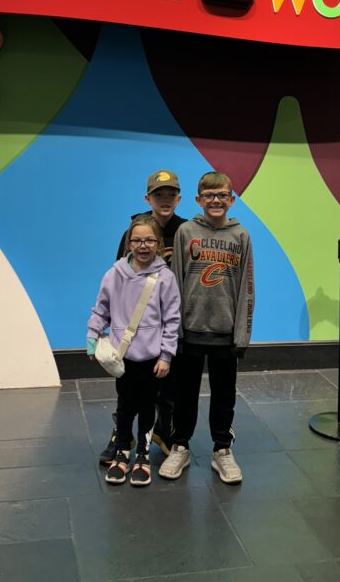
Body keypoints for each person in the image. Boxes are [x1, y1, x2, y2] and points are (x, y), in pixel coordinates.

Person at [159, 171, 254, 485]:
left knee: (224, 395)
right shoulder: (186, 231)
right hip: (191, 331)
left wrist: (241, 335)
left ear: (231, 199)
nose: (215, 200)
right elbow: (174, 285)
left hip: (225, 333)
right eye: (209, 195)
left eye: (222, 195)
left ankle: (222, 450)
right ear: (199, 200)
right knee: (184, 394)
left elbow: (246, 289)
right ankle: (180, 445)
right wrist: (174, 332)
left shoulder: (241, 236)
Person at [98, 170, 186, 465]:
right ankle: (123, 435)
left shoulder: (186, 231)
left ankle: (162, 430)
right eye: (158, 195)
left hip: (171, 322)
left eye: (170, 194)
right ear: (148, 198)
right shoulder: (132, 231)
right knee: (129, 389)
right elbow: (120, 275)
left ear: (179, 198)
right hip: (136, 329)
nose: (165, 200)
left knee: (168, 384)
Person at [87, 214, 181, 486]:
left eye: (149, 240)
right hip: (122, 357)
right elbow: (101, 308)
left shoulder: (165, 278)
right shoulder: (114, 274)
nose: (143, 246)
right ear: (128, 243)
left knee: (148, 406)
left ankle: (142, 453)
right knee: (125, 405)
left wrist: (166, 355)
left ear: (159, 244)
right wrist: (92, 336)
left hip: (152, 359)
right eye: (137, 240)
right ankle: (122, 452)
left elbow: (172, 319)